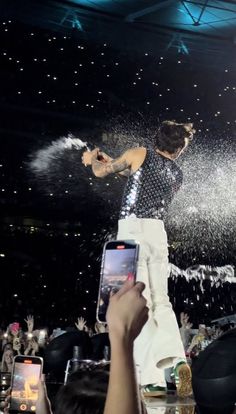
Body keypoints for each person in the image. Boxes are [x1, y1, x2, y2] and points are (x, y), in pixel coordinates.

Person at [82, 120, 196, 397]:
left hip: (132, 231)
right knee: (161, 301)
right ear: (178, 149)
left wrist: (91, 161)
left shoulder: (137, 153)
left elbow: (100, 172)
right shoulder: (177, 173)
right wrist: (114, 161)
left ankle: (152, 378)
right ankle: (177, 358)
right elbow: (140, 179)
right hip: (157, 234)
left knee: (137, 300)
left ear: (157, 138)